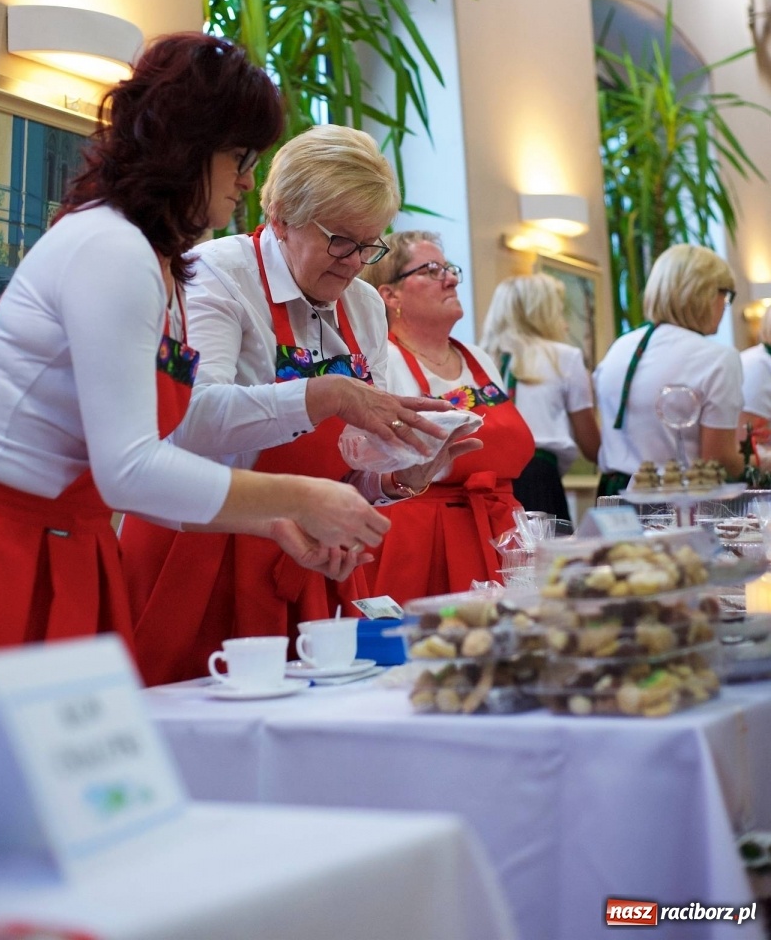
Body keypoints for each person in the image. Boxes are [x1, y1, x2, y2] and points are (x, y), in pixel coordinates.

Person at [0, 34, 391, 660]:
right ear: (187, 150)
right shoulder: (111, 249)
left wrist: (274, 523)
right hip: (9, 546)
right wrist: (299, 498)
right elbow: (131, 469)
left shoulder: (153, 260)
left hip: (67, 539)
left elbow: (156, 444)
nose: (249, 184)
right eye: (241, 159)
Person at [119, 128, 479, 684]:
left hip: (313, 558)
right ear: (283, 216)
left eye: (369, 245)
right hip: (203, 553)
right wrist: (327, 392)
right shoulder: (215, 273)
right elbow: (192, 418)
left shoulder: (361, 303)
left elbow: (352, 468)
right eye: (340, 240)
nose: (355, 263)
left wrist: (400, 475)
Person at [360, 230, 536, 603]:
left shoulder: (479, 358)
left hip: (497, 532)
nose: (452, 278)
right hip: (421, 541)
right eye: (432, 270)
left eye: (450, 269)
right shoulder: (380, 361)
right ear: (389, 296)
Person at [594, 243, 745, 496]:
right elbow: (718, 460)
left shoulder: (620, 347)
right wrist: (758, 462)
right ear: (704, 294)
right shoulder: (717, 358)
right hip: (675, 499)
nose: (725, 305)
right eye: (726, 294)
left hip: (611, 498)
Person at [479, 273, 600, 518]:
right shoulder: (564, 358)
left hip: (489, 482)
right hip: (539, 477)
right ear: (544, 313)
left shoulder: (479, 360)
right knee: (547, 553)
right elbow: (592, 446)